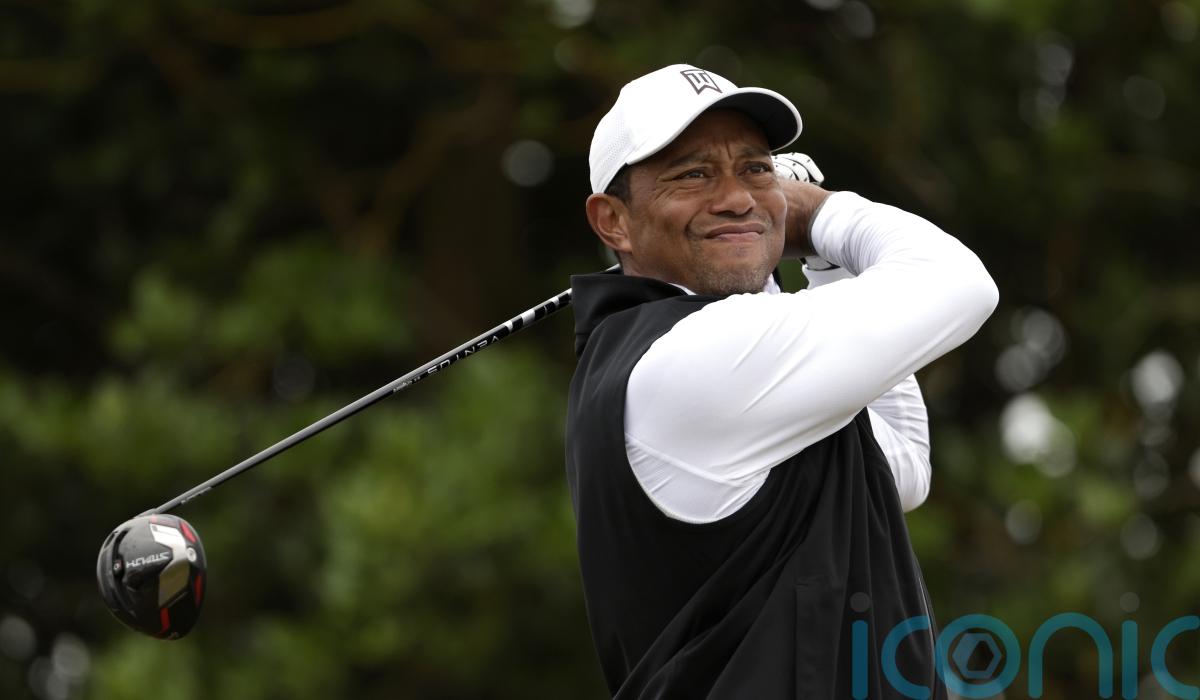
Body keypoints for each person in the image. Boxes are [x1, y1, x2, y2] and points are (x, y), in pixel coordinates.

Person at [564, 64, 998, 698]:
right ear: (614, 221)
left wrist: (821, 258)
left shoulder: (697, 360)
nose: (736, 198)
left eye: (755, 169)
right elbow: (962, 283)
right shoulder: (693, 357)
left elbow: (901, 466)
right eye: (693, 174)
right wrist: (821, 212)